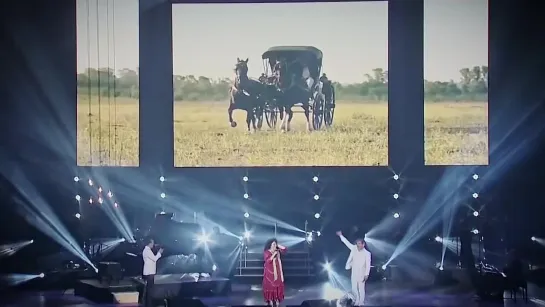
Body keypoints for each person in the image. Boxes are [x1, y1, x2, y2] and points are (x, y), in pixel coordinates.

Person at [336, 231, 371, 306]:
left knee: (361, 289)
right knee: (354, 289)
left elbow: (368, 265)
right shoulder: (354, 248)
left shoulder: (367, 254)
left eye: (359, 243)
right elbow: (347, 243)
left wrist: (366, 274)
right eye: (357, 243)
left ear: (363, 244)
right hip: (354, 272)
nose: (357, 245)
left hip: (362, 273)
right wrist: (341, 236)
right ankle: (356, 301)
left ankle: (361, 302)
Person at [262, 238, 287, 307]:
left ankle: (276, 299)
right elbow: (268, 261)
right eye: (273, 244)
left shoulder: (277, 250)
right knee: (270, 286)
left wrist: (279, 245)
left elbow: (285, 249)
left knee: (277, 285)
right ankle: (270, 299)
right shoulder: (266, 252)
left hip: (277, 270)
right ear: (270, 245)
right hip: (269, 272)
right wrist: (274, 254)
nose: (274, 246)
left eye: (275, 244)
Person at [142, 237, 163, 307]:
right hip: (149, 273)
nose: (153, 244)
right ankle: (148, 304)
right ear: (150, 243)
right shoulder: (147, 251)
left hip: (149, 272)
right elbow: (154, 259)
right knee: (149, 290)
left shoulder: (147, 250)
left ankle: (148, 304)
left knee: (149, 290)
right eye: (152, 243)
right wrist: (159, 253)